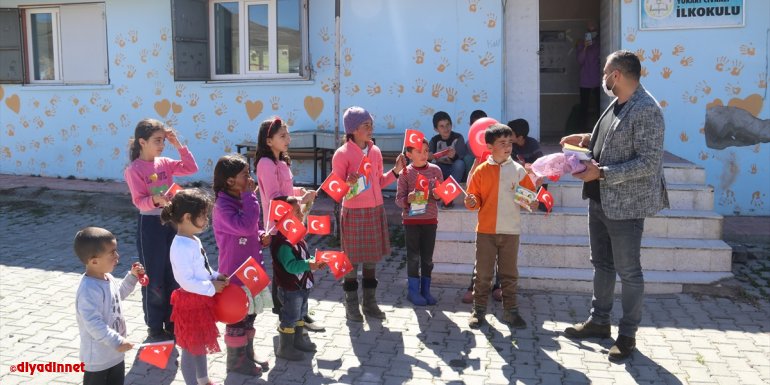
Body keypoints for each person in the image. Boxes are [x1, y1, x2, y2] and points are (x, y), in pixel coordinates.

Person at [561, 50, 668, 361]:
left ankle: (627, 335)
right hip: (600, 199)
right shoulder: (618, 102)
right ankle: (599, 322)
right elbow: (607, 141)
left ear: (617, 75)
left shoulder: (646, 109)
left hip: (626, 205)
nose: (603, 77)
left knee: (629, 272)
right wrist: (584, 139)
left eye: (606, 72)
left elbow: (649, 163)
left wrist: (604, 173)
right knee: (602, 265)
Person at [124, 118, 199, 341]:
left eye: (163, 140)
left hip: (172, 223)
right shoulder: (134, 169)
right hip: (150, 226)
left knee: (173, 273)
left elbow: (191, 168)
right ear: (142, 142)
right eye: (157, 140)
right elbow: (139, 201)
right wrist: (155, 199)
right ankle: (155, 326)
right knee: (153, 276)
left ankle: (173, 322)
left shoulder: (165, 162)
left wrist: (178, 144)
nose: (161, 145)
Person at [332, 106, 407, 322]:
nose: (370, 128)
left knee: (372, 260)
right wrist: (347, 183)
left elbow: (379, 182)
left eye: (371, 124)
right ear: (353, 129)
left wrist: (396, 172)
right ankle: (351, 304)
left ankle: (370, 303)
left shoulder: (375, 152)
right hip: (354, 213)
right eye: (366, 125)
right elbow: (337, 190)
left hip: (375, 210)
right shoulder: (342, 154)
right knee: (351, 261)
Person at [463, 123, 539, 329]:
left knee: (509, 274)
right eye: (502, 143)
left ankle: (511, 311)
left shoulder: (518, 170)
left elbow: (531, 198)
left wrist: (534, 202)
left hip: (511, 231)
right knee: (483, 274)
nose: (507, 147)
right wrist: (471, 202)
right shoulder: (480, 171)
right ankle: (478, 312)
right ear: (489, 147)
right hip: (485, 231)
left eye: (510, 143)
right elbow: (473, 200)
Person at [254, 117, 324, 333]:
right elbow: (276, 197)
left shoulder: (282, 162)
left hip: (292, 221)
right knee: (285, 271)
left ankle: (299, 312)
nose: (288, 139)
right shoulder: (265, 164)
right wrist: (299, 201)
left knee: (294, 267)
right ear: (268, 141)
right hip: (278, 226)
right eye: (282, 136)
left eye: (287, 134)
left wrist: (301, 193)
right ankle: (287, 315)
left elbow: (286, 190)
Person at [212, 154, 271, 376]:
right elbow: (244, 226)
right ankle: (236, 362)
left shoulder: (242, 199)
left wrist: (262, 235)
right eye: (245, 175)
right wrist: (250, 197)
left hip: (251, 270)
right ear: (229, 181)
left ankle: (247, 352)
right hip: (235, 274)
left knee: (251, 313)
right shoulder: (222, 205)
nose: (250, 179)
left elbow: (251, 228)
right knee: (237, 316)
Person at [164, 189, 228, 385]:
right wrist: (211, 288)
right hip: (190, 303)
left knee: (199, 344)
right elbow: (186, 281)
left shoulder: (193, 239)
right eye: (203, 215)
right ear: (187, 217)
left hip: (201, 300)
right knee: (191, 348)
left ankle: (203, 380)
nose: (206, 219)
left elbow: (203, 268)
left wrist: (216, 276)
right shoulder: (180, 246)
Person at [75, 227, 144, 385]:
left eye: (116, 251)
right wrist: (117, 341)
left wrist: (132, 277)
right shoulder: (88, 290)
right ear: (94, 261)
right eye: (112, 253)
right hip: (98, 359)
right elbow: (93, 323)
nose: (117, 256)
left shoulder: (108, 278)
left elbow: (118, 295)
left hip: (115, 354)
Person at [269, 197, 326, 360]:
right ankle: (285, 348)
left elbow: (303, 257)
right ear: (283, 217)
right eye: (297, 212)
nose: (302, 214)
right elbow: (291, 266)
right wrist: (309, 265)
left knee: (301, 313)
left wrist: (314, 263)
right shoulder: (282, 242)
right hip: (290, 289)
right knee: (290, 317)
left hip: (302, 286)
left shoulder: (296, 235)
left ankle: (298, 340)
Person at [395, 139, 443, 306]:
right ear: (409, 154)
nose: (423, 155)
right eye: (419, 151)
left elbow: (441, 195)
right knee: (413, 257)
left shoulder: (435, 170)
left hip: (430, 220)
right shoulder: (405, 174)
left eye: (426, 150)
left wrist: (438, 195)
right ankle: (413, 292)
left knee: (427, 259)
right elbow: (398, 200)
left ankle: (426, 291)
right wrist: (408, 199)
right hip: (412, 222)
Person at [461, 110, 501, 304]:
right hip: (484, 216)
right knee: (483, 254)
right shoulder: (477, 162)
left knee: (503, 254)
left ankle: (499, 286)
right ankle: (475, 287)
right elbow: (470, 185)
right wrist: (477, 165)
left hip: (503, 216)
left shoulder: (505, 160)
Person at [428, 111, 468, 208]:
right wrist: (429, 157)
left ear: (451, 125)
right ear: (436, 129)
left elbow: (462, 158)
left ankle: (448, 198)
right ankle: (429, 198)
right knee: (433, 167)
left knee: (460, 164)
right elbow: (428, 159)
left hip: (455, 171)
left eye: (448, 125)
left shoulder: (458, 138)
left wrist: (454, 156)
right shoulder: (434, 140)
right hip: (440, 171)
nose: (446, 129)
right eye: (441, 126)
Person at [577, 21, 601, 133]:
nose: (591, 33)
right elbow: (580, 61)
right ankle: (582, 130)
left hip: (598, 79)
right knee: (584, 107)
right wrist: (585, 47)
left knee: (599, 106)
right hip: (585, 80)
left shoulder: (601, 44)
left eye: (593, 31)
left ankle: (599, 130)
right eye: (589, 31)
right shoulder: (582, 44)